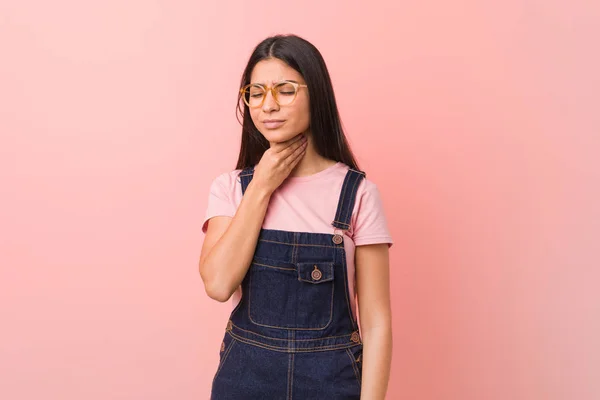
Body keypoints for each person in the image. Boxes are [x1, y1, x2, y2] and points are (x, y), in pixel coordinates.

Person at [199, 34, 393, 399]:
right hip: (245, 381)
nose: (268, 105)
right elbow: (219, 284)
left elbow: (377, 320)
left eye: (285, 90)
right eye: (256, 93)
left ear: (316, 93)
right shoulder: (230, 189)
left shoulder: (357, 194)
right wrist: (261, 187)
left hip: (332, 383)